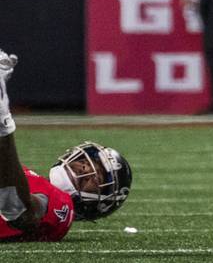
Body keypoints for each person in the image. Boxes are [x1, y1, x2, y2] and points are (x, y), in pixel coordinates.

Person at [0, 49, 132, 241]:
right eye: (90, 161)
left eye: (99, 177)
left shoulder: (62, 205)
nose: (86, 168)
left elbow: (18, 211)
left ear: (100, 203)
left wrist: (3, 121)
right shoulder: (28, 177)